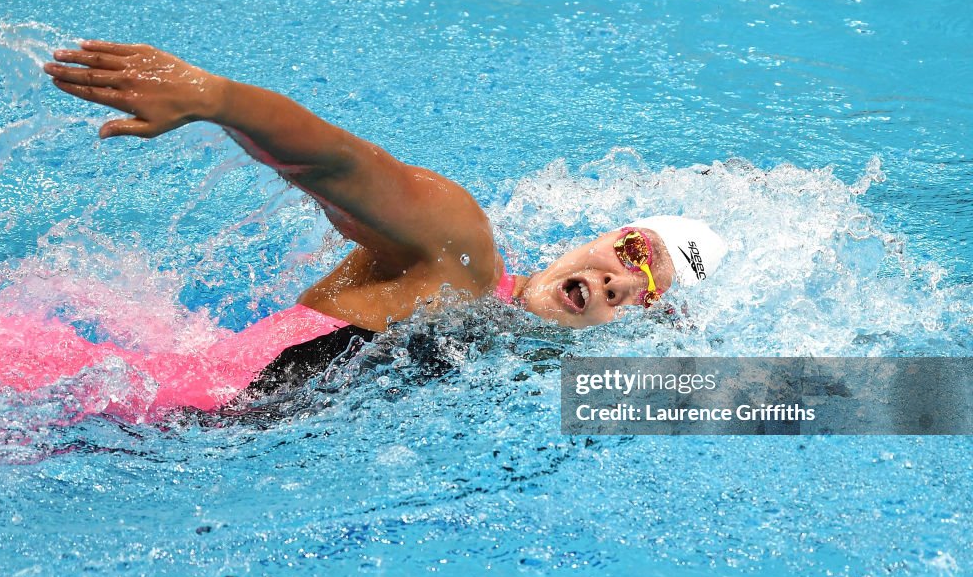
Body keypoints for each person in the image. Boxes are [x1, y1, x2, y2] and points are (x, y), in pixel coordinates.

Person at [37, 40, 727, 414]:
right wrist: (216, 99)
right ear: (602, 235)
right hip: (88, 406)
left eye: (644, 290)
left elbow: (801, 398)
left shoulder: (524, 372)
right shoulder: (465, 255)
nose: (618, 280)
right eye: (634, 250)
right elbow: (343, 164)